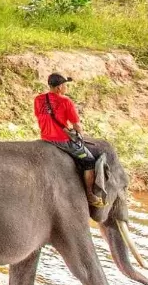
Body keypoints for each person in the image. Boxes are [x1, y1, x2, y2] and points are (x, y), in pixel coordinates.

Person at [33, 71, 99, 201]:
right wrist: (79, 136)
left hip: (45, 137)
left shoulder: (38, 99)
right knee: (89, 160)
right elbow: (76, 125)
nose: (66, 87)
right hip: (61, 140)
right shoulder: (65, 101)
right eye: (65, 85)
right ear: (59, 88)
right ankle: (90, 194)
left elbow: (40, 117)